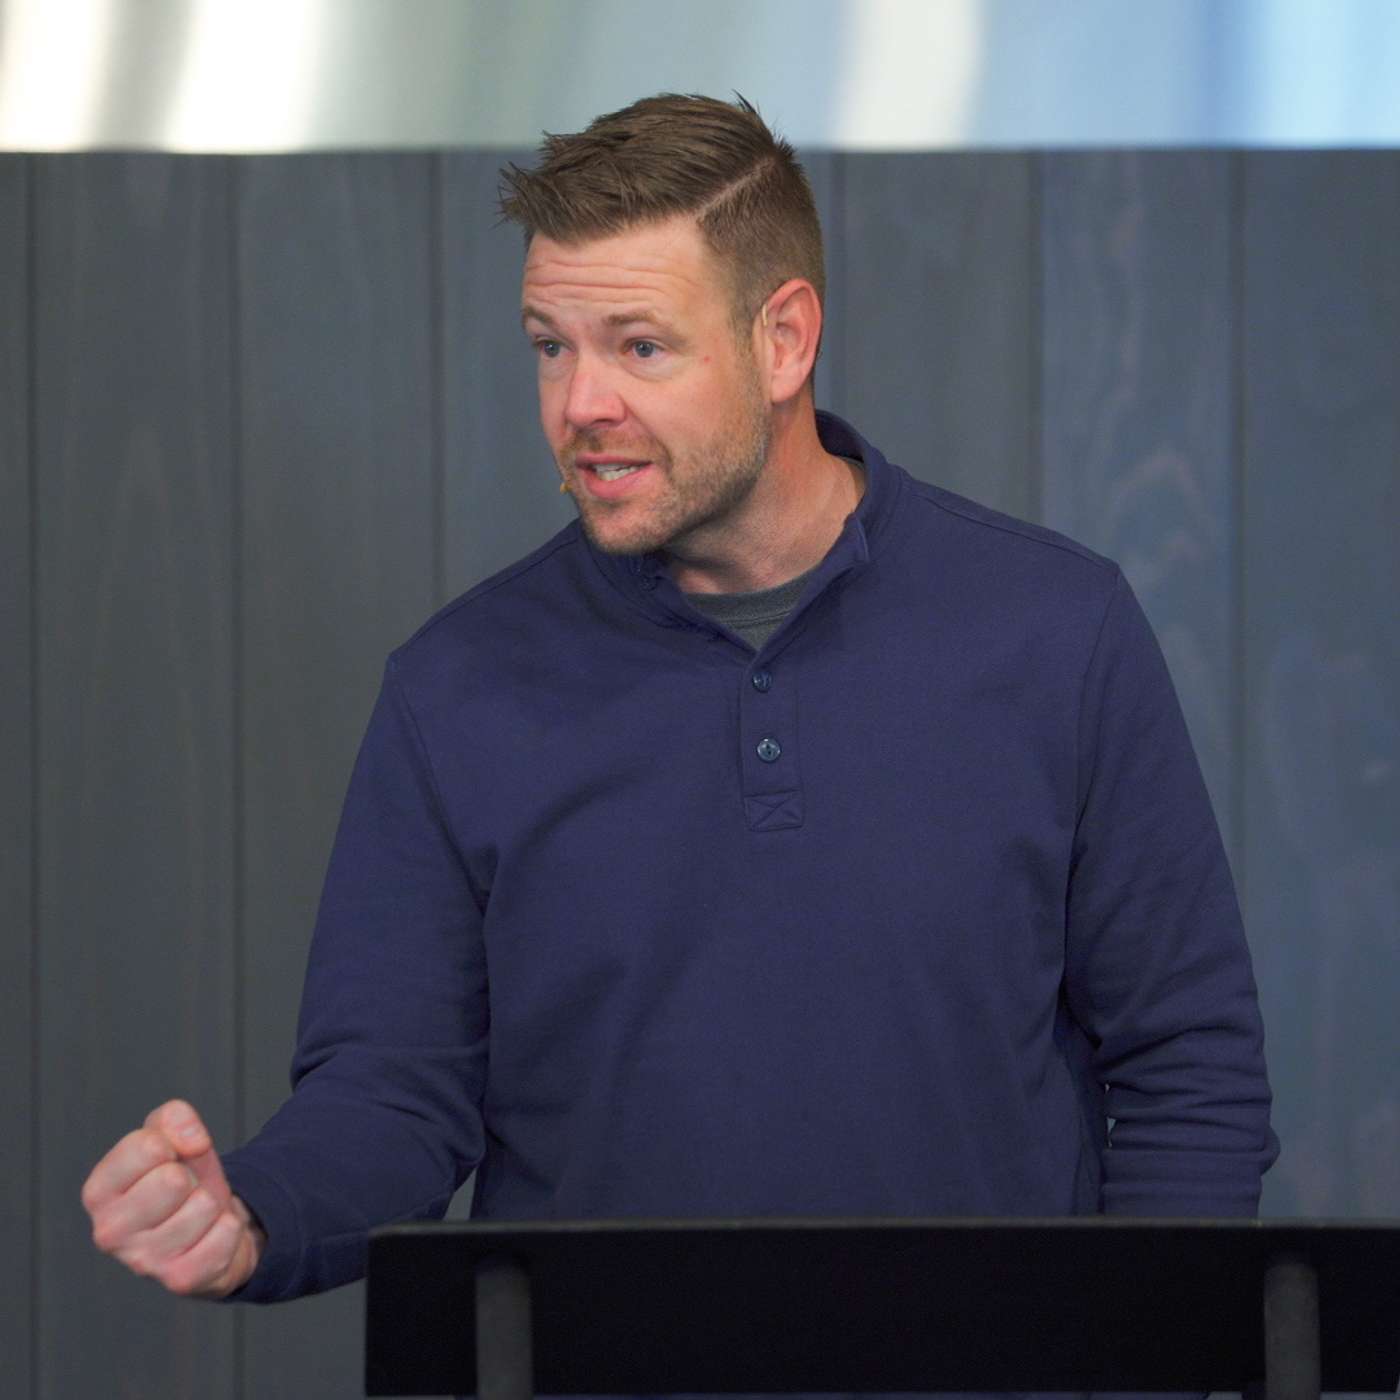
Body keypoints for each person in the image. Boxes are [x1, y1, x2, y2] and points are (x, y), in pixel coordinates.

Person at [83, 93, 1277, 1320]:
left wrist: (1148, 1357)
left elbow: (1186, 1059)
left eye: (639, 347)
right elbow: (393, 1093)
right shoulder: (454, 686)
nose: (579, 404)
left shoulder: (1056, 629)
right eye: (551, 345)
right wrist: (254, 1210)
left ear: (783, 341)